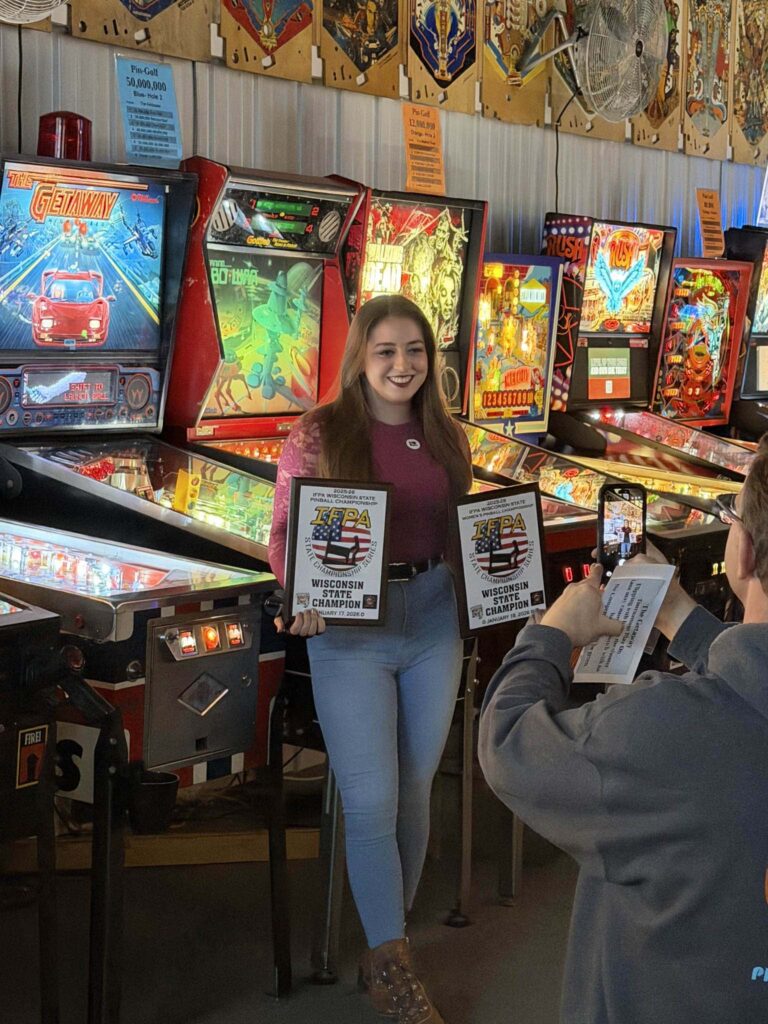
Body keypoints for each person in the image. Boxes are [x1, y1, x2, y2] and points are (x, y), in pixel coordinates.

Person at [478, 438, 768, 1024]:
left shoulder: (660, 730)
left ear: (743, 551)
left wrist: (550, 636)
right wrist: (680, 617)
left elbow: (508, 744)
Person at [268, 294, 472, 1024]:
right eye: (385, 351)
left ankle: (390, 951)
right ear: (360, 357)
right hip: (350, 631)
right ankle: (394, 962)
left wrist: (501, 585)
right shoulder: (319, 433)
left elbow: (461, 533)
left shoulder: (443, 434)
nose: (402, 365)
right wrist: (300, 592)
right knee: (372, 798)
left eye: (414, 350)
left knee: (416, 790)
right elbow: (285, 530)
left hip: (433, 619)